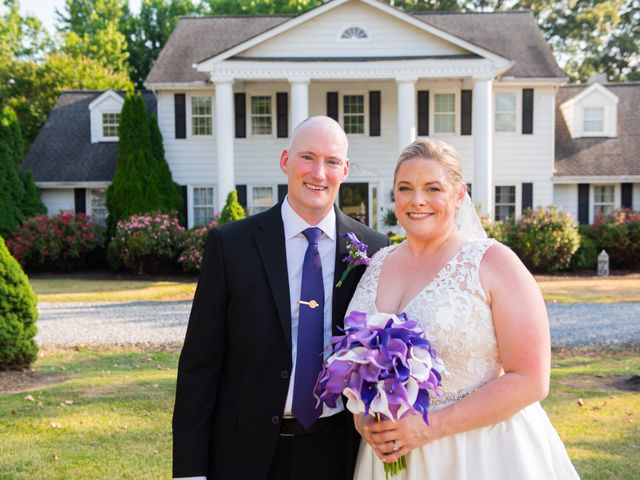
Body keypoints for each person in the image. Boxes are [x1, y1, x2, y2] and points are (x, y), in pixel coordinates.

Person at [348, 139, 580, 479]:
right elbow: (359, 363)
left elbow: (531, 379)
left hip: (477, 454)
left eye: (433, 188)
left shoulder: (493, 262)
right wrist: (365, 419)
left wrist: (429, 427)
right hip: (391, 460)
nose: (418, 200)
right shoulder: (377, 264)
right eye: (405, 188)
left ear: (459, 195)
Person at [172, 116, 388, 480]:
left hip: (338, 450)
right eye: (307, 157)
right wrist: (189, 472)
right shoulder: (231, 246)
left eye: (332, 161)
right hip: (243, 452)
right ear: (286, 161)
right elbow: (199, 366)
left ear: (345, 169)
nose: (319, 172)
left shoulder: (373, 250)